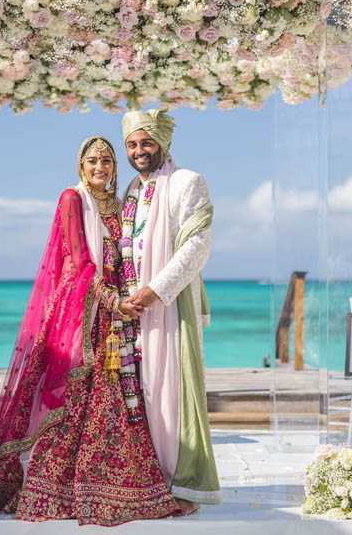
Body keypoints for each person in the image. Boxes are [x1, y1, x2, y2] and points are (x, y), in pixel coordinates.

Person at [0, 136, 179, 526]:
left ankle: (112, 485)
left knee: (118, 402)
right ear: (80, 165)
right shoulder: (72, 199)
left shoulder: (121, 206)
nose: (100, 167)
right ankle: (56, 485)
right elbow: (78, 261)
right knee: (72, 400)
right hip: (80, 316)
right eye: (92, 160)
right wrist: (111, 302)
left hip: (117, 318)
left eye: (107, 160)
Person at [119, 109, 221, 514]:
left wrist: (155, 291)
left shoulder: (186, 182)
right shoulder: (131, 189)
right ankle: (151, 479)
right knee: (144, 393)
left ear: (163, 143)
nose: (139, 151)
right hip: (135, 311)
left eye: (146, 143)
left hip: (171, 305)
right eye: (132, 144)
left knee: (173, 395)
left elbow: (197, 247)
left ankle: (185, 486)